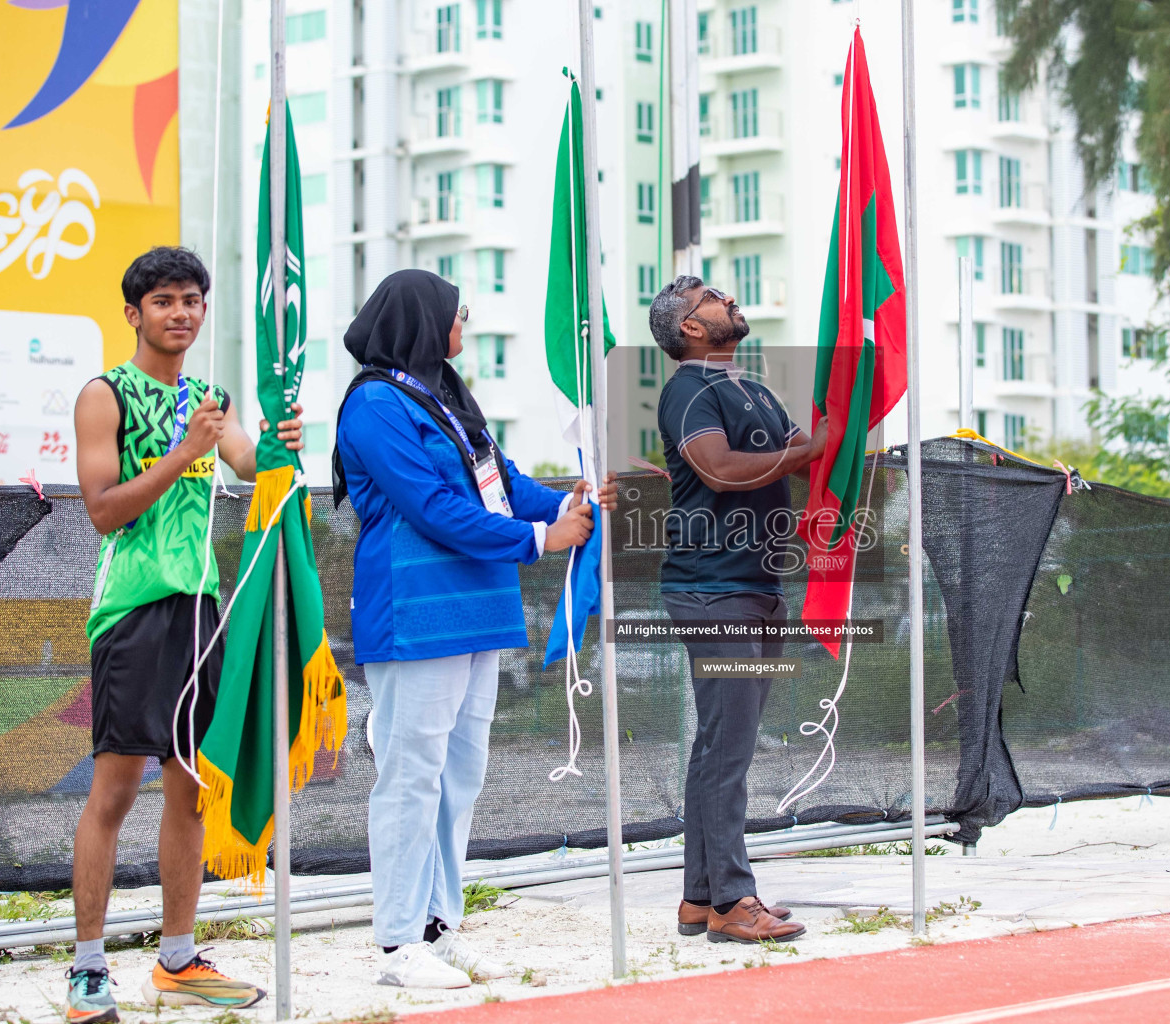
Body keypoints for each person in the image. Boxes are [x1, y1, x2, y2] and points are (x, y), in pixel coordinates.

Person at [333, 269, 615, 988]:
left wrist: (566, 502)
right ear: (425, 322)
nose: (467, 326)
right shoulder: (373, 404)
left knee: (460, 775)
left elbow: (506, 483)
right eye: (459, 315)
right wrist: (539, 540)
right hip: (416, 612)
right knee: (411, 775)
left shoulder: (451, 398)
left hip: (482, 607)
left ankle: (438, 924)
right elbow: (428, 506)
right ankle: (398, 944)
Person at [68, 247, 303, 1022]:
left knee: (192, 792)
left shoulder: (209, 397)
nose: (181, 312)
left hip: (202, 609)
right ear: (133, 313)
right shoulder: (105, 394)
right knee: (113, 790)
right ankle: (88, 969)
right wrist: (184, 453)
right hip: (132, 610)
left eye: (193, 300)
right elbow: (105, 510)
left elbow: (250, 462)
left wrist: (279, 443)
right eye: (164, 300)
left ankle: (176, 959)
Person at [647, 276, 824, 943]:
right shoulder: (687, 390)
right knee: (728, 748)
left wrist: (823, 435)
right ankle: (732, 901)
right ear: (690, 327)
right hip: (712, 586)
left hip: (757, 584)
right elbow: (721, 469)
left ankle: (701, 897)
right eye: (714, 297)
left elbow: (800, 450)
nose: (731, 301)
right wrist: (807, 447)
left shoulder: (751, 387)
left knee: (721, 745)